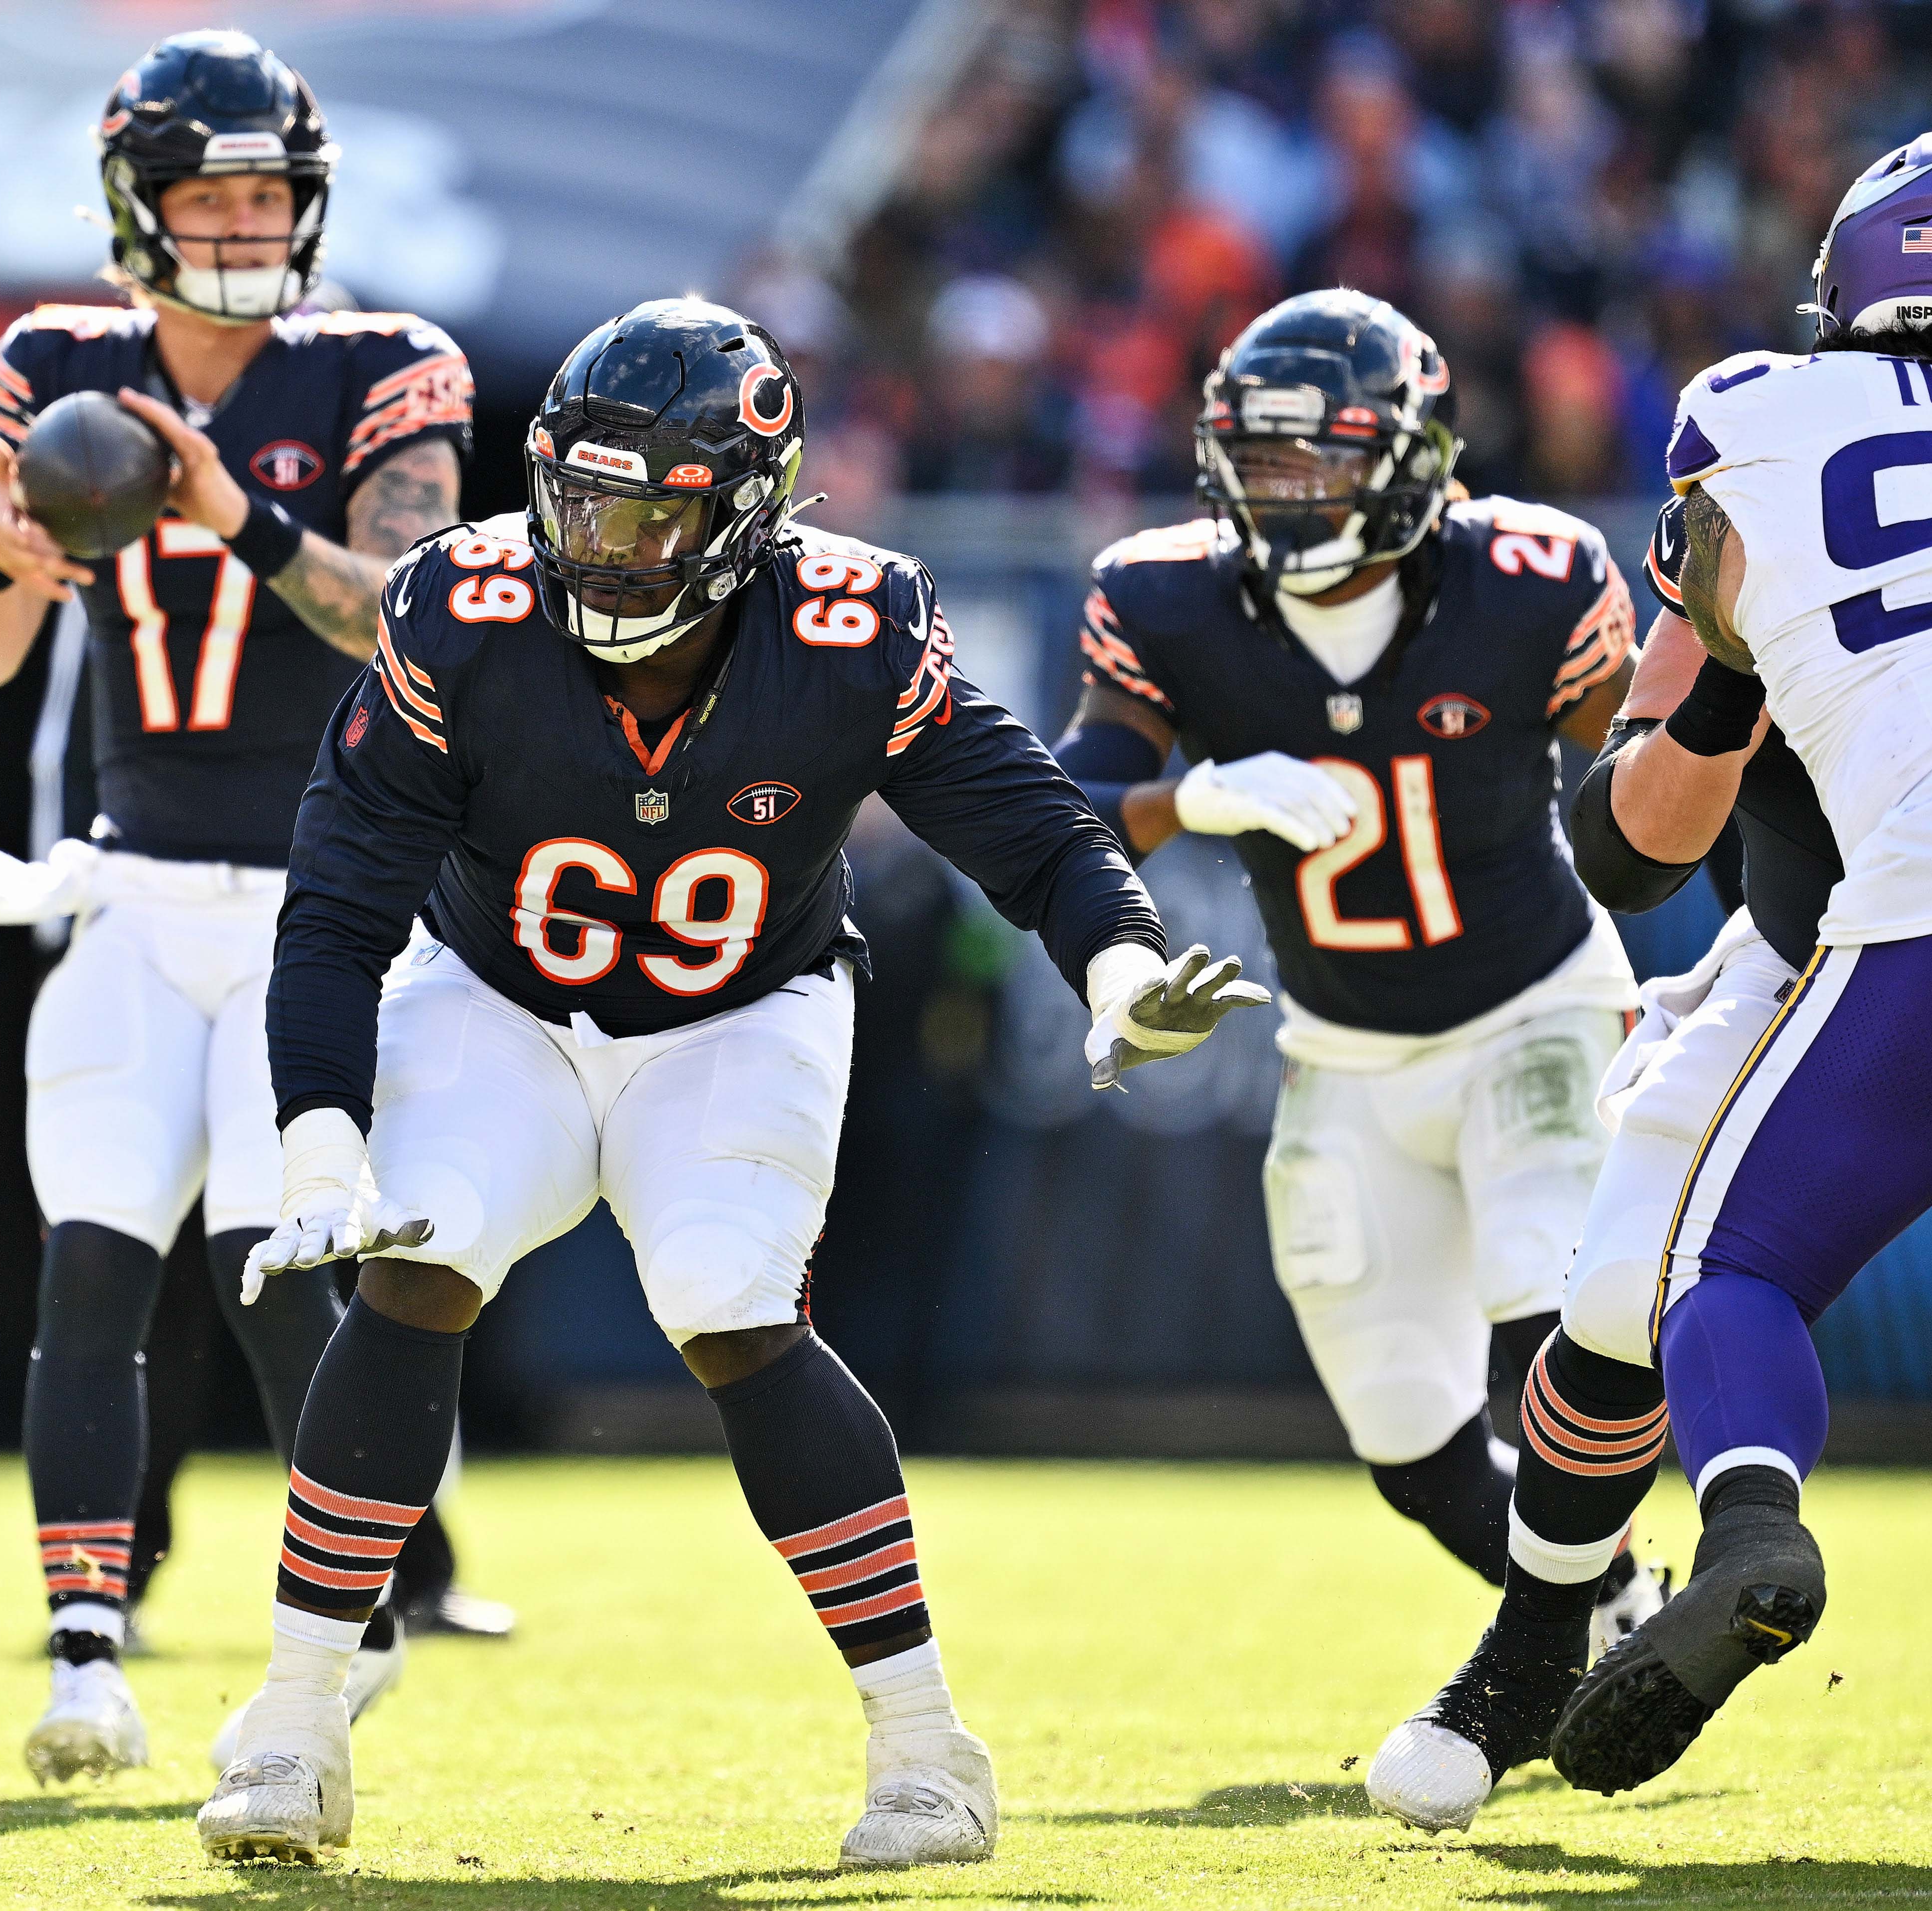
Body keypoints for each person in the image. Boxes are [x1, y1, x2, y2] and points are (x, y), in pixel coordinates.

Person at [195, 296, 1267, 1868]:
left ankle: (925, 1748)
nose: (596, 540)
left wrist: (1116, 968)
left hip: (739, 1012)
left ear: (745, 512)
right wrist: (316, 1136)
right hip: (499, 999)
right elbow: (341, 891)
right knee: (415, 1260)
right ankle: (293, 1725)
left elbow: (1028, 825)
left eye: (642, 509)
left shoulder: (851, 627)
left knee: (724, 1297)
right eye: (574, 494)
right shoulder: (462, 605)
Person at [1401, 128, 1932, 1812]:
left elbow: (1623, 861)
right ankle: (1536, 1644)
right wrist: (1716, 707)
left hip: (1921, 932)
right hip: (1816, 930)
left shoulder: (1753, 419)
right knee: (1615, 1301)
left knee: (1699, 1283)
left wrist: (1731, 658)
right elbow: (1630, 840)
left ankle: (1747, 1528)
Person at [0, 29, 471, 1782]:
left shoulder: (387, 365)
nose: (243, 223)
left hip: (322, 901)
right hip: (134, 883)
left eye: (267, 192)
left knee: (266, 1268)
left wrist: (240, 520)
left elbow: (409, 611)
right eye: (210, 193)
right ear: (137, 206)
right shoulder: (57, 364)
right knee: (90, 1260)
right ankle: (88, 1655)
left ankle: (354, 1614)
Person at [1053, 290, 1662, 1638]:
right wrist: (1192, 798)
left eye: (1315, 458)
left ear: (1406, 457)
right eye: (1256, 460)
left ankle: (1540, 1648)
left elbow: (1657, 785)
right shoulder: (1162, 596)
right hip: (1340, 1047)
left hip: (1534, 1009)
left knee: (1546, 1316)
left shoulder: (1527, 579)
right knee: (1407, 1444)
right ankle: (1616, 1603)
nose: (1281, 493)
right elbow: (1065, 815)